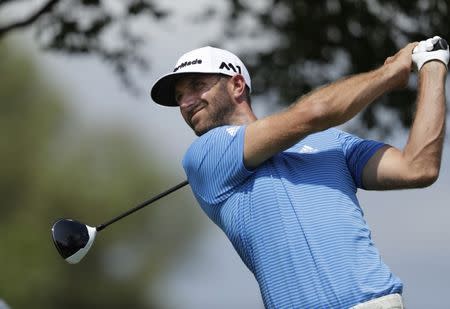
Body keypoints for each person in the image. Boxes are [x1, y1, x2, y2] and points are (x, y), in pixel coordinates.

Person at [150, 36, 448, 308]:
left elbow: (418, 167)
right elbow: (314, 113)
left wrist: (432, 67)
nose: (186, 103)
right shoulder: (205, 156)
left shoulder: (332, 142)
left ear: (237, 85)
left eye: (197, 86)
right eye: (179, 97)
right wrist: (389, 74)